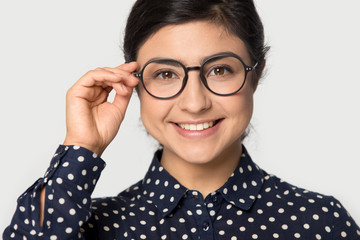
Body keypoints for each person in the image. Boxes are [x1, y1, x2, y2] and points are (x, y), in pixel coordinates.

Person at [3, 0, 360, 239]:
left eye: (219, 70)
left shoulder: (319, 221)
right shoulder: (88, 227)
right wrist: (81, 147)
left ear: (255, 73)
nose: (194, 103)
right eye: (165, 74)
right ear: (134, 83)